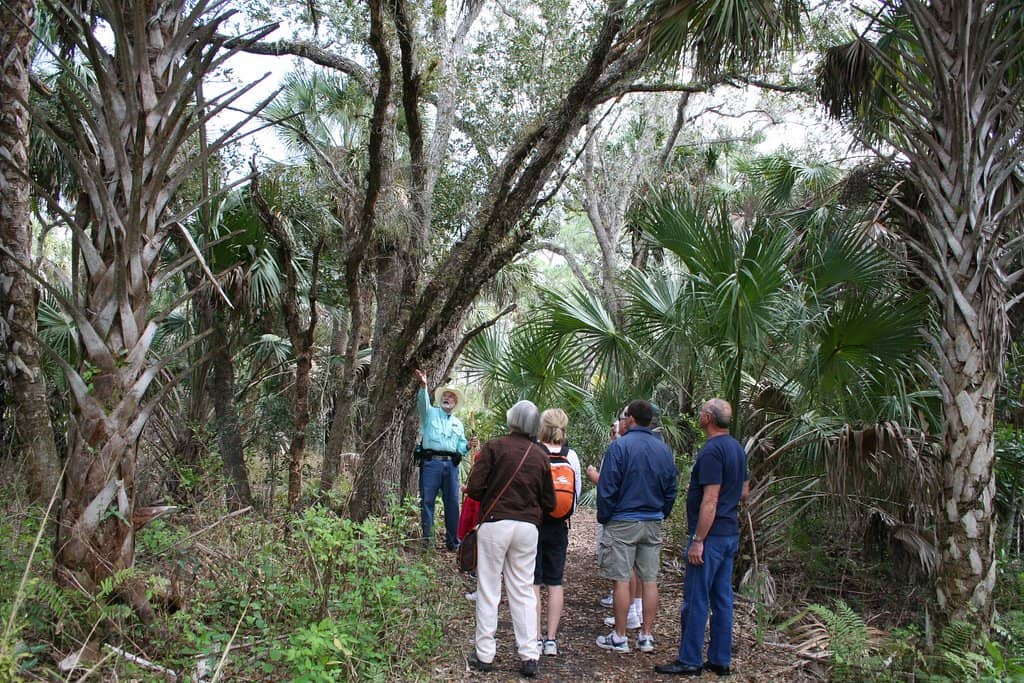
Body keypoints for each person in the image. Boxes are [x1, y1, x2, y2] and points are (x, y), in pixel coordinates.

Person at [656, 398, 749, 677]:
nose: (698, 416)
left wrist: (699, 539)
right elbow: (744, 491)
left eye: (701, 413)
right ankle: (720, 660)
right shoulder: (737, 448)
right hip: (729, 533)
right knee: (722, 599)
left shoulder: (712, 451)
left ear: (708, 417)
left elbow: (710, 499)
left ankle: (690, 659)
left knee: (697, 598)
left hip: (710, 537)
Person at [466, 400, 555, 678]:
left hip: (495, 525)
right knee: (523, 590)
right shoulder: (540, 455)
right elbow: (549, 501)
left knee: (489, 588)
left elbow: (476, 488)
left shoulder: (494, 447)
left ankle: (485, 654)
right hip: (527, 528)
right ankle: (530, 655)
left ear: (511, 420)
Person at [595, 399, 678, 655]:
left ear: (630, 418)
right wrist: (661, 512)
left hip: (623, 520)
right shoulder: (663, 449)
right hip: (652, 520)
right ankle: (646, 636)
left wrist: (605, 516)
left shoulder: (620, 447)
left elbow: (607, 487)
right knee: (649, 579)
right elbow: (671, 487)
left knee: (621, 579)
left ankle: (620, 637)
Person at [533, 408, 582, 657]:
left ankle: (534, 638)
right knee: (554, 582)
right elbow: (576, 495)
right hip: (559, 527)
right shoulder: (570, 455)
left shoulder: (534, 452)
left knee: (533, 582)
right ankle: (551, 639)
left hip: (534, 524)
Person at [414, 369, 477, 551]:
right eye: (445, 395)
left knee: (452, 503)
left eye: (451, 397)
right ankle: (428, 543)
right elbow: (422, 403)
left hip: (451, 466)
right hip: (431, 463)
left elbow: (461, 447)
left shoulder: (458, 423)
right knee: (427, 502)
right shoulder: (430, 414)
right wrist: (424, 386)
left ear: (455, 402)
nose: (447, 398)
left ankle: (453, 543)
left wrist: (468, 445)